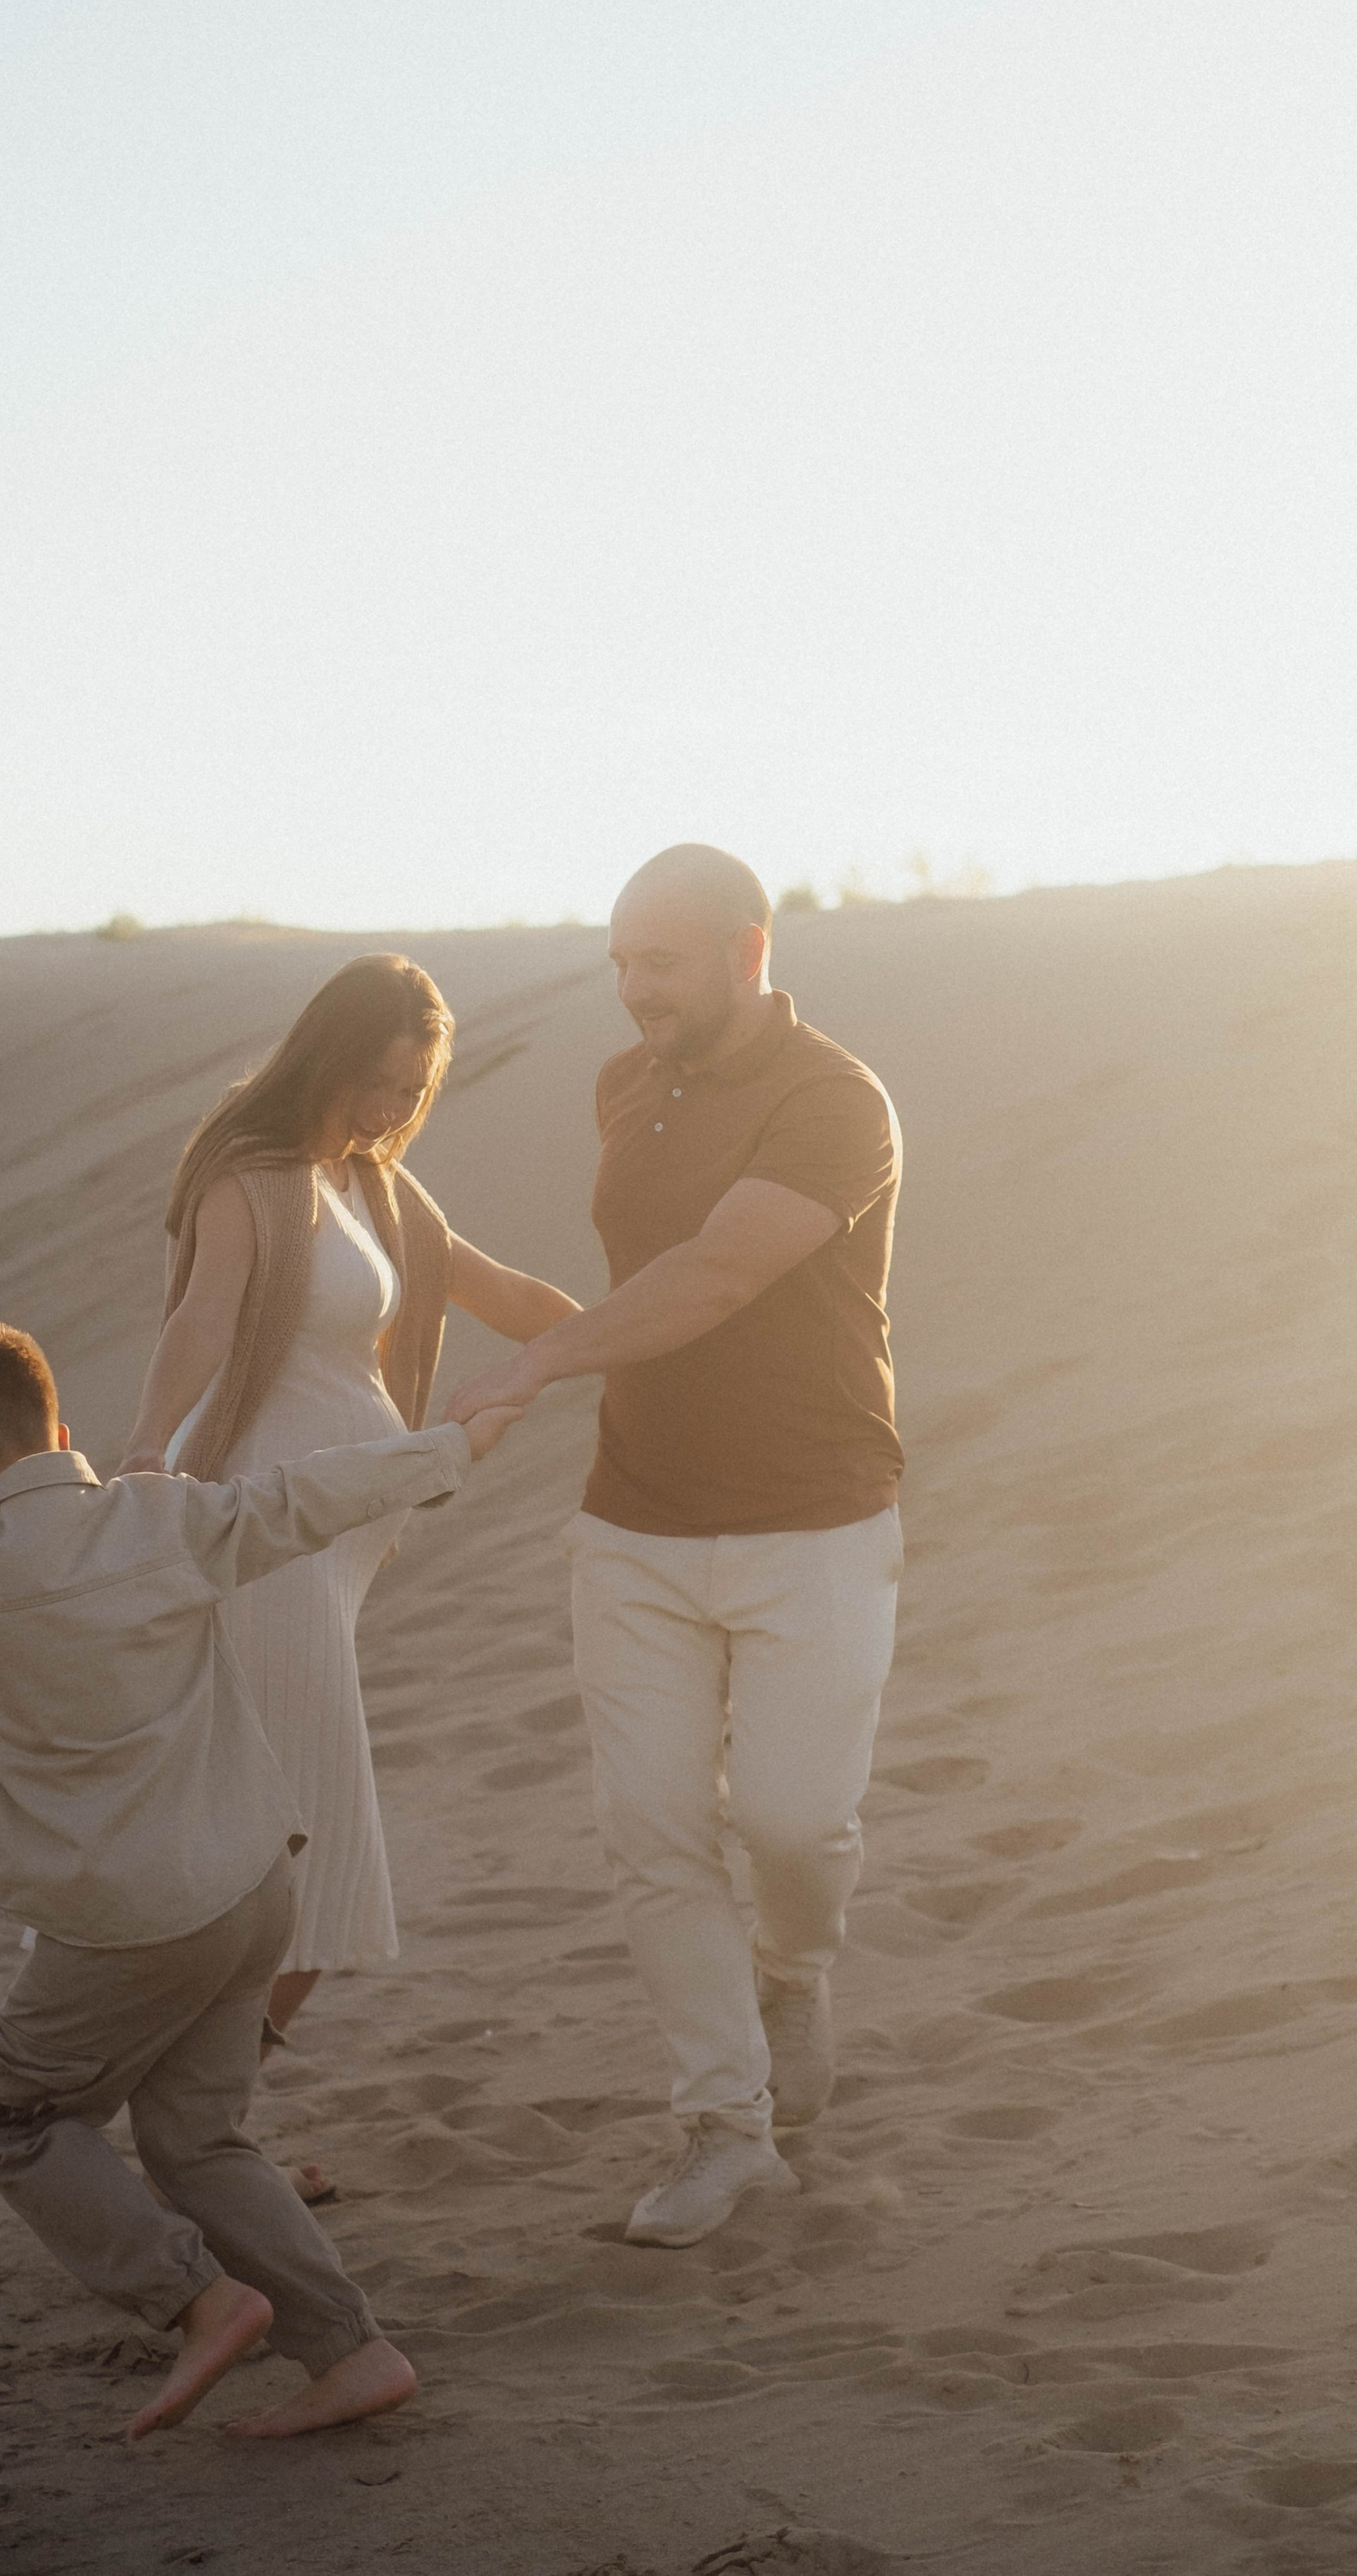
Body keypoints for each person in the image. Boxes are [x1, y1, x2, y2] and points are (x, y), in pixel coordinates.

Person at [0, 1318, 522, 2442]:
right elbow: (302, 1495)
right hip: (253, 1892)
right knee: (196, 2138)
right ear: (64, 1431)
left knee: (12, 2117)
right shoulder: (164, 1523)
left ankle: (199, 2299)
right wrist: (452, 1447)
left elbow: (21, 1530)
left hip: (133, 1924)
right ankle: (352, 2350)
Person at [448, 845, 904, 2248]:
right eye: (620, 964)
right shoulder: (623, 1086)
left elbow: (715, 1273)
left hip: (814, 1518)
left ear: (748, 951)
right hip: (635, 1519)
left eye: (662, 963)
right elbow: (633, 1274)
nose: (634, 991)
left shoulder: (835, 1102)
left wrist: (546, 1363)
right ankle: (725, 2130)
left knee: (788, 1822)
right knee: (652, 1834)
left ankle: (794, 1970)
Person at [115, 954, 578, 2052]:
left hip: (331, 1558)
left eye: (411, 1092)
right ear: (323, 1057)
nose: (388, 1109)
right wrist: (142, 1452)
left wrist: (631, 1343)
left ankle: (203, 2103)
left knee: (275, 1850)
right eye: (374, 1082)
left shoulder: (374, 1190)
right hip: (263, 1543)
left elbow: (505, 1295)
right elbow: (202, 1324)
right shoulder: (254, 1175)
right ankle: (193, 2102)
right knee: (306, 1847)